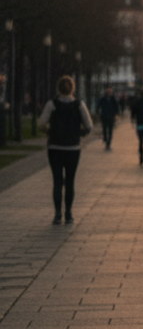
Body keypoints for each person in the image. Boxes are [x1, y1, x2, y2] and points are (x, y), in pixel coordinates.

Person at [38, 75, 93, 225]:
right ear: (72, 88)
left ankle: (57, 214)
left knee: (57, 181)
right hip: (73, 148)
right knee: (70, 181)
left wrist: (49, 131)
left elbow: (42, 123)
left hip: (55, 147)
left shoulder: (52, 104)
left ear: (58, 88)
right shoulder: (78, 104)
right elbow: (89, 126)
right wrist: (79, 134)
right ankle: (68, 214)